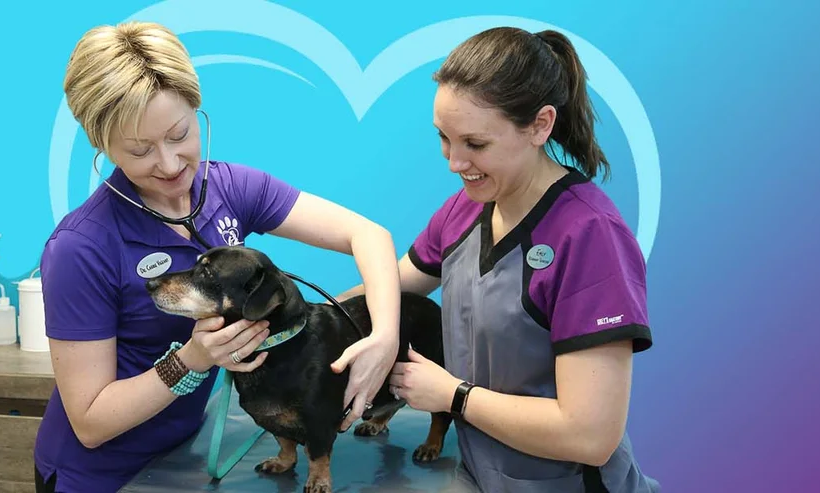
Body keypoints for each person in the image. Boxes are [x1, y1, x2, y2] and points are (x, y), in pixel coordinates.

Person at [33, 21, 403, 492]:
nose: (170, 165)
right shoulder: (80, 248)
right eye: (140, 150)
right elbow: (89, 422)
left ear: (196, 110)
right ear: (101, 145)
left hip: (182, 450)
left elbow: (368, 235)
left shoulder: (229, 188)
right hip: (99, 476)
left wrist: (385, 337)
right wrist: (192, 360)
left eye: (179, 134)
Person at [341, 27, 660, 492]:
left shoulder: (591, 237)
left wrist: (453, 397)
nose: (454, 162)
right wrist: (295, 321)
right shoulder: (463, 210)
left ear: (540, 125)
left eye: (475, 144)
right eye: (444, 138)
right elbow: (391, 286)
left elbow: (590, 436)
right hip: (479, 477)